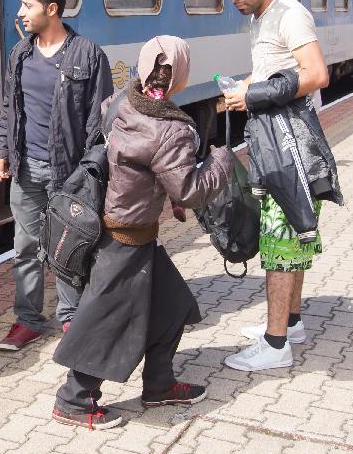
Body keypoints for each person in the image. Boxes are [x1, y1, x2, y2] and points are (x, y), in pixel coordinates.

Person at [52, 36, 233, 429]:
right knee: (105, 318)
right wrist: (222, 160)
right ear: (181, 74)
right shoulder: (170, 128)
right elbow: (190, 188)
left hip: (120, 226)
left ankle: (159, 384)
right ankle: (74, 400)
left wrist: (169, 192)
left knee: (173, 306)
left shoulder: (122, 102)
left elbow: (142, 165)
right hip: (127, 237)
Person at [209, 0, 332, 371]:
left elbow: (317, 74)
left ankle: (276, 345)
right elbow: (278, 72)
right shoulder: (261, 18)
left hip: (291, 145)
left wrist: (253, 94)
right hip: (277, 139)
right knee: (291, 235)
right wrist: (247, 86)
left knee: (279, 240)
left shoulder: (289, 13)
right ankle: (291, 322)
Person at [0, 0, 113, 351]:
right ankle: (27, 320)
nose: (20, 13)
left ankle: (71, 317)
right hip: (26, 168)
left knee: (68, 247)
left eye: (27, 6)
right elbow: (10, 109)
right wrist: (1, 149)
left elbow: (101, 119)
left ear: (52, 10)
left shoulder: (88, 54)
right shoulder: (20, 54)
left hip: (69, 172)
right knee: (25, 247)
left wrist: (90, 171)